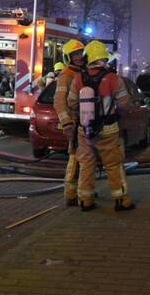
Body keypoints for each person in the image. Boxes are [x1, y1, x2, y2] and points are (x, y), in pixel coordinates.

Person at [69, 40, 135, 212]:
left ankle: (85, 200)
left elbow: (71, 103)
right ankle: (121, 199)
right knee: (113, 164)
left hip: (85, 130)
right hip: (108, 130)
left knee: (86, 164)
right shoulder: (114, 79)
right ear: (104, 58)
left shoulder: (78, 79)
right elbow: (124, 104)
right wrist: (117, 115)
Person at [53, 40, 86, 205]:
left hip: (85, 121)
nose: (79, 57)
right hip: (74, 122)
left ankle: (83, 192)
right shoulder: (67, 74)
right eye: (75, 54)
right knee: (75, 158)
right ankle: (71, 194)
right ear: (68, 57)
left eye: (80, 53)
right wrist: (67, 123)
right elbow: (59, 101)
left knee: (85, 159)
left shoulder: (82, 72)